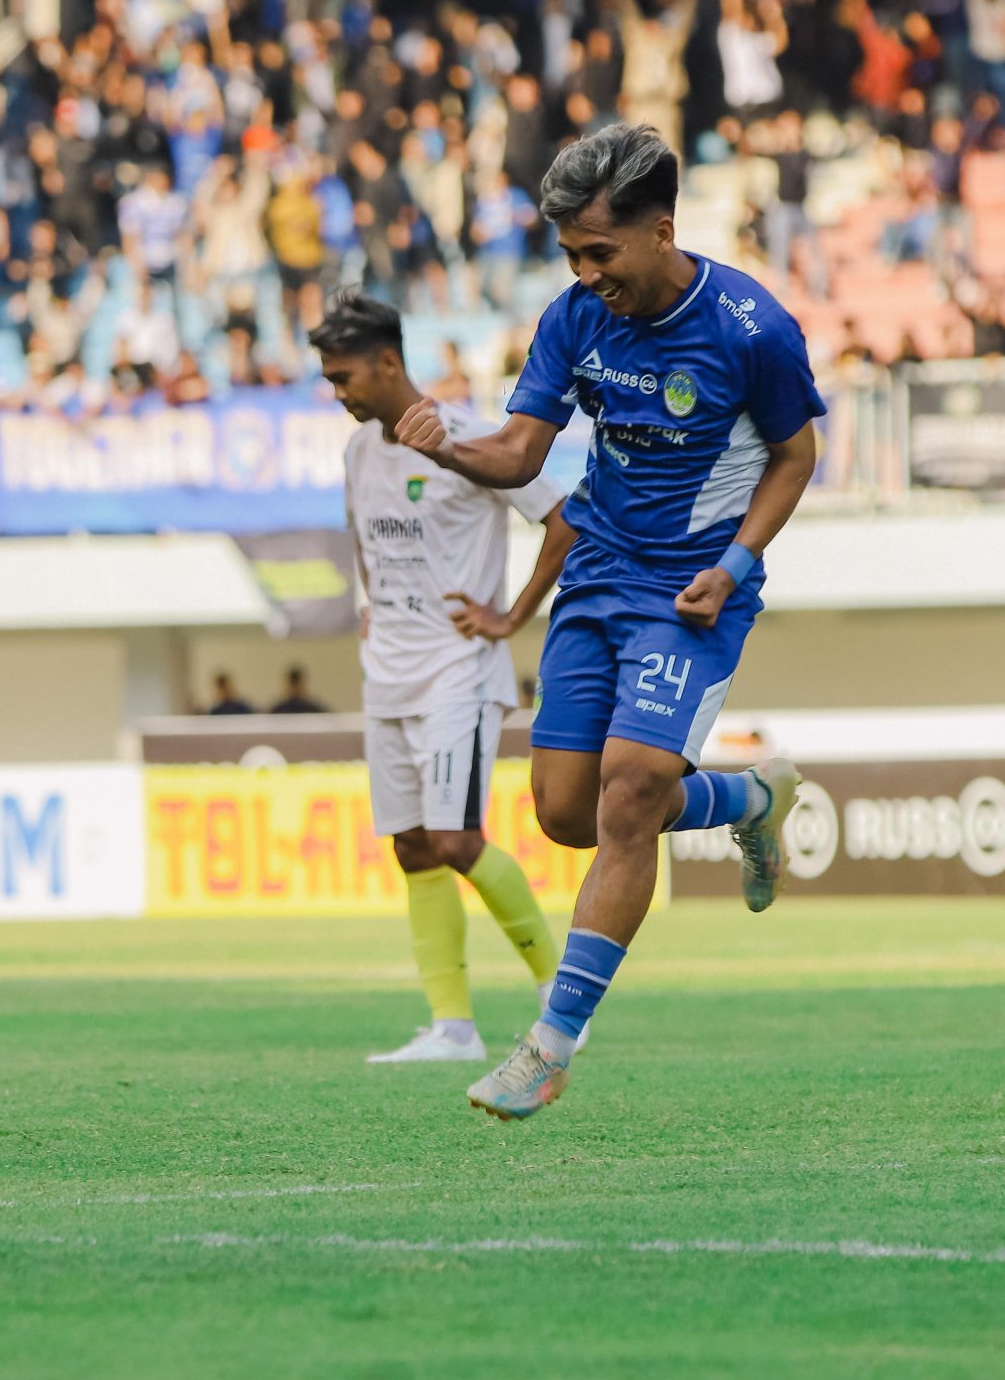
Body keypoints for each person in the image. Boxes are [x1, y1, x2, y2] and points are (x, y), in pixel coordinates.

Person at [392, 124, 819, 1120]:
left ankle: (550, 1044)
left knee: (631, 792)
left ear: (661, 229)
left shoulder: (750, 329)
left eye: (600, 253)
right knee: (567, 814)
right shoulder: (575, 320)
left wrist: (735, 564)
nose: (585, 275)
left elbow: (794, 457)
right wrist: (445, 445)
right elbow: (518, 453)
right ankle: (748, 802)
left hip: (691, 591)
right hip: (598, 575)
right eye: (571, 256)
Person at [314, 292, 573, 1063]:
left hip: (456, 671)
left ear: (388, 362)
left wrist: (511, 615)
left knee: (457, 837)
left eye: (344, 376)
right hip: (385, 671)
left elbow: (563, 517)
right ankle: (452, 1028)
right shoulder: (360, 451)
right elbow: (366, 536)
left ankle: (564, 990)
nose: (338, 392)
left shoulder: (469, 438)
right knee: (412, 847)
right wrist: (372, 602)